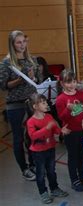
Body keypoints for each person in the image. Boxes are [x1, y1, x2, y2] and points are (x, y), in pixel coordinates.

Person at [0, 30, 42, 181]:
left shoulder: (32, 59)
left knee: (33, 135)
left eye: (24, 41)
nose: (22, 45)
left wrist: (35, 77)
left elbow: (38, 80)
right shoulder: (6, 63)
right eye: (18, 42)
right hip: (15, 105)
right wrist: (20, 79)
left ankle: (33, 164)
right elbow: (3, 86)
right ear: (12, 44)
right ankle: (24, 169)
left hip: (32, 103)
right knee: (18, 138)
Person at [56, 69, 83, 191]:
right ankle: (74, 180)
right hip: (71, 132)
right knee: (73, 156)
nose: (71, 84)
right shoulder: (61, 99)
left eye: (73, 81)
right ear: (62, 83)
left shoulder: (81, 94)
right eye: (68, 82)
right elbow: (61, 117)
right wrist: (68, 109)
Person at [26, 93, 69, 204]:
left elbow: (55, 131)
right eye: (43, 103)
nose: (46, 105)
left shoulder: (49, 117)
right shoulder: (31, 121)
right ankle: (43, 193)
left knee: (51, 171)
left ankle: (54, 189)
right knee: (40, 174)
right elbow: (33, 136)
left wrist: (61, 131)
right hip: (38, 152)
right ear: (35, 106)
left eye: (46, 102)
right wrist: (46, 128)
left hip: (50, 149)